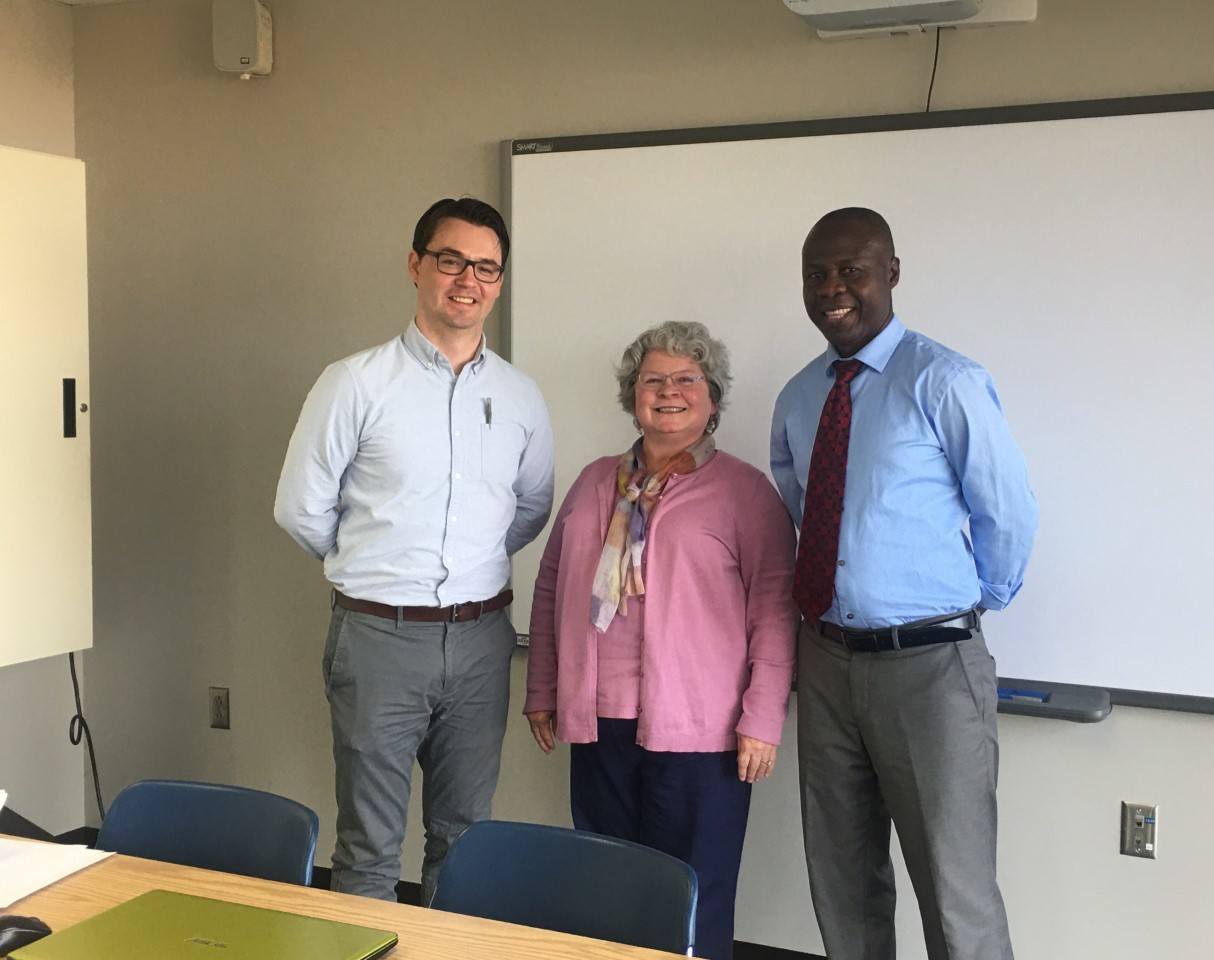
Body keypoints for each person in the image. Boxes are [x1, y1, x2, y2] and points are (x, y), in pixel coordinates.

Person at [771, 207, 1038, 960]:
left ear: (890, 272)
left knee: (956, 895)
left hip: (930, 669)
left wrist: (962, 604)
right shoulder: (798, 396)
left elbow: (1007, 511)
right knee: (843, 882)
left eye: (852, 269)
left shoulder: (944, 380)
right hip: (823, 661)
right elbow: (800, 508)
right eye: (817, 273)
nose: (834, 287)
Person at [274, 197, 554, 904]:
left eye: (486, 267)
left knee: (464, 841)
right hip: (377, 637)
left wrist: (469, 564)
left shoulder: (520, 396)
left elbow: (529, 507)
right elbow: (300, 508)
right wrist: (374, 563)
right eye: (451, 259)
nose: (468, 279)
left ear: (500, 280)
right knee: (368, 848)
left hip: (482, 639)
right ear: (416, 265)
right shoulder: (356, 383)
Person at [524, 321, 796, 960]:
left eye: (686, 380)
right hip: (600, 723)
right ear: (633, 394)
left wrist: (762, 719)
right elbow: (550, 588)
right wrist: (543, 688)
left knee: (695, 894)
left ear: (712, 397)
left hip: (703, 734)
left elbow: (776, 614)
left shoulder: (746, 492)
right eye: (653, 380)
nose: (669, 391)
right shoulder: (595, 483)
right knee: (611, 890)